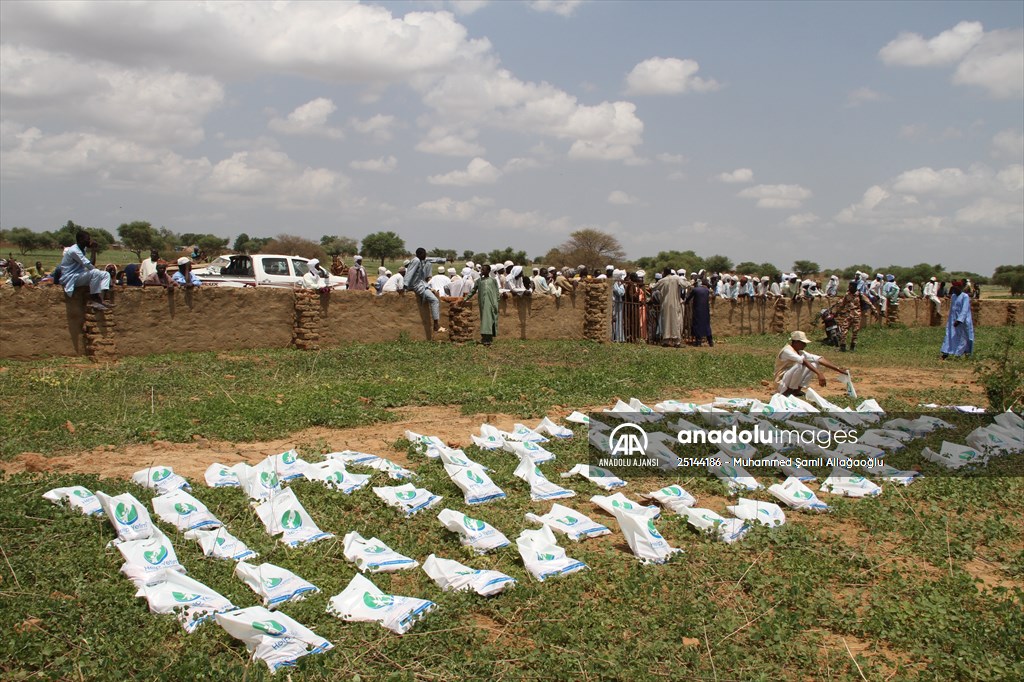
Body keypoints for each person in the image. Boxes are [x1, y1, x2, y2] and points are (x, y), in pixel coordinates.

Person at [774, 331, 849, 397]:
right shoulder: (787, 350)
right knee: (800, 364)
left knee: (814, 364)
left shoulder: (800, 352)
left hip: (789, 378)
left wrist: (838, 369)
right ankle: (788, 392)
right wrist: (819, 373)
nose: (805, 345)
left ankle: (796, 391)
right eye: (803, 343)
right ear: (796, 342)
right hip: (781, 381)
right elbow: (803, 361)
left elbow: (818, 359)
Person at [58, 231, 114, 310]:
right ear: (81, 240)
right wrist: (93, 250)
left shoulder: (82, 249)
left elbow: (91, 265)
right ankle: (93, 299)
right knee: (96, 272)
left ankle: (102, 299)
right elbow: (89, 265)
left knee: (105, 274)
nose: (89, 241)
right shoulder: (74, 251)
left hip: (79, 275)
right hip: (70, 278)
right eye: (87, 239)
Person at [405, 247, 447, 333]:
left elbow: (433, 259)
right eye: (424, 254)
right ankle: (436, 325)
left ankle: (436, 325)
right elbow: (409, 273)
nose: (426, 256)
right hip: (417, 285)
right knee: (434, 300)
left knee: (432, 294)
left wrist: (445, 259)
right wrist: (405, 286)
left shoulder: (420, 259)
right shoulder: (416, 261)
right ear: (420, 254)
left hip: (422, 284)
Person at [834, 280, 877, 352]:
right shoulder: (847, 295)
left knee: (855, 332)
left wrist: (875, 311)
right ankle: (842, 347)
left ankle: (852, 347)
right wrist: (837, 312)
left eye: (850, 286)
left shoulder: (860, 295)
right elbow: (842, 305)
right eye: (849, 286)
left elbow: (869, 302)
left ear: (854, 287)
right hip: (848, 315)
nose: (849, 287)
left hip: (857, 316)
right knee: (843, 331)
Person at [462, 263, 498, 345]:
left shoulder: (493, 281)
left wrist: (496, 302)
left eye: (483, 269)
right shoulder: (479, 281)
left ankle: (489, 338)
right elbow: (473, 291)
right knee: (484, 320)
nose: (482, 271)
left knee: (489, 320)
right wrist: (466, 298)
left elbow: (497, 292)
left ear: (488, 271)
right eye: (481, 269)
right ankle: (485, 338)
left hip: (491, 304)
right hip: (482, 303)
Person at [941, 280, 974, 359]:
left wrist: (959, 320)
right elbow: (953, 309)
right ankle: (945, 353)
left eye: (956, 288)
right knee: (949, 335)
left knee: (964, 337)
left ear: (960, 288)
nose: (954, 290)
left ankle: (960, 354)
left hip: (963, 321)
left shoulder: (965, 296)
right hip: (953, 320)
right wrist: (952, 320)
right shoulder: (953, 296)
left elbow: (965, 309)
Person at [653, 267, 684, 347]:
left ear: (665, 273)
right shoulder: (677, 278)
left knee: (666, 321)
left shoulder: (663, 280)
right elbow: (686, 285)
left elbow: (654, 287)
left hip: (665, 304)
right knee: (676, 321)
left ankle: (666, 340)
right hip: (675, 303)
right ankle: (677, 341)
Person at [685, 277, 713, 347]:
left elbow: (689, 298)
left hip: (697, 310)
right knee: (706, 325)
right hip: (705, 311)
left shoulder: (695, 290)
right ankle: (710, 341)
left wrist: (685, 302)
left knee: (697, 324)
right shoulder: (707, 290)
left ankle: (698, 342)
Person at [611, 269, 626, 343]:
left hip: (618, 304)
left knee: (618, 320)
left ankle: (619, 337)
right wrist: (622, 285)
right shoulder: (615, 284)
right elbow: (621, 292)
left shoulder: (617, 283)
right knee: (615, 320)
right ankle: (615, 337)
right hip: (615, 304)